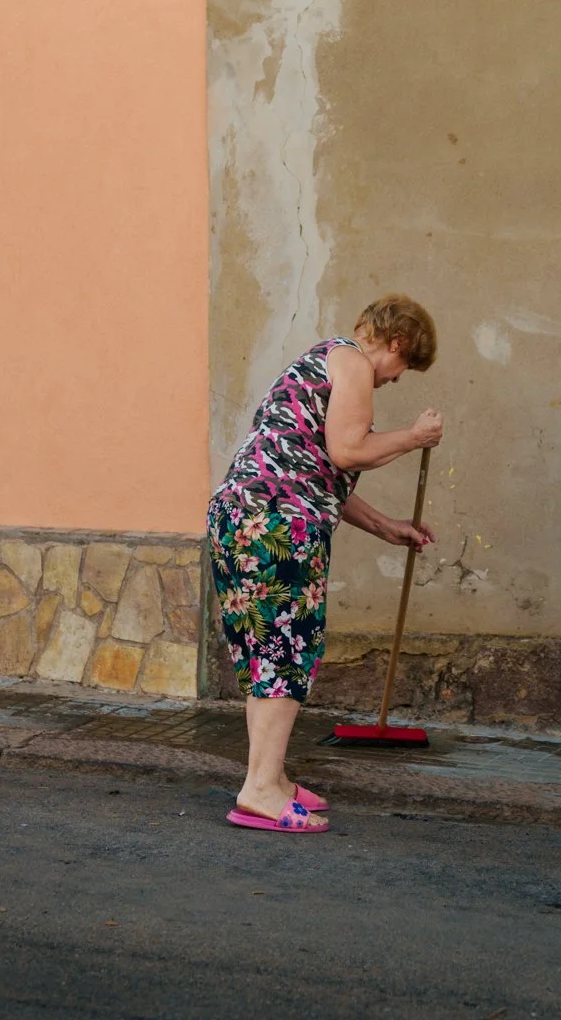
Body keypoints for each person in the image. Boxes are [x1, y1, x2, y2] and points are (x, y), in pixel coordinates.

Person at [208, 293, 444, 832]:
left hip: (243, 516)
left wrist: (388, 527)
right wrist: (414, 437)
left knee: (268, 650)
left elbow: (316, 472)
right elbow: (347, 451)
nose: (394, 380)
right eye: (402, 368)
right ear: (396, 343)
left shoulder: (323, 359)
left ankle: (272, 778)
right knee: (286, 651)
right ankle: (261, 789)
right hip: (277, 526)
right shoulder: (356, 362)